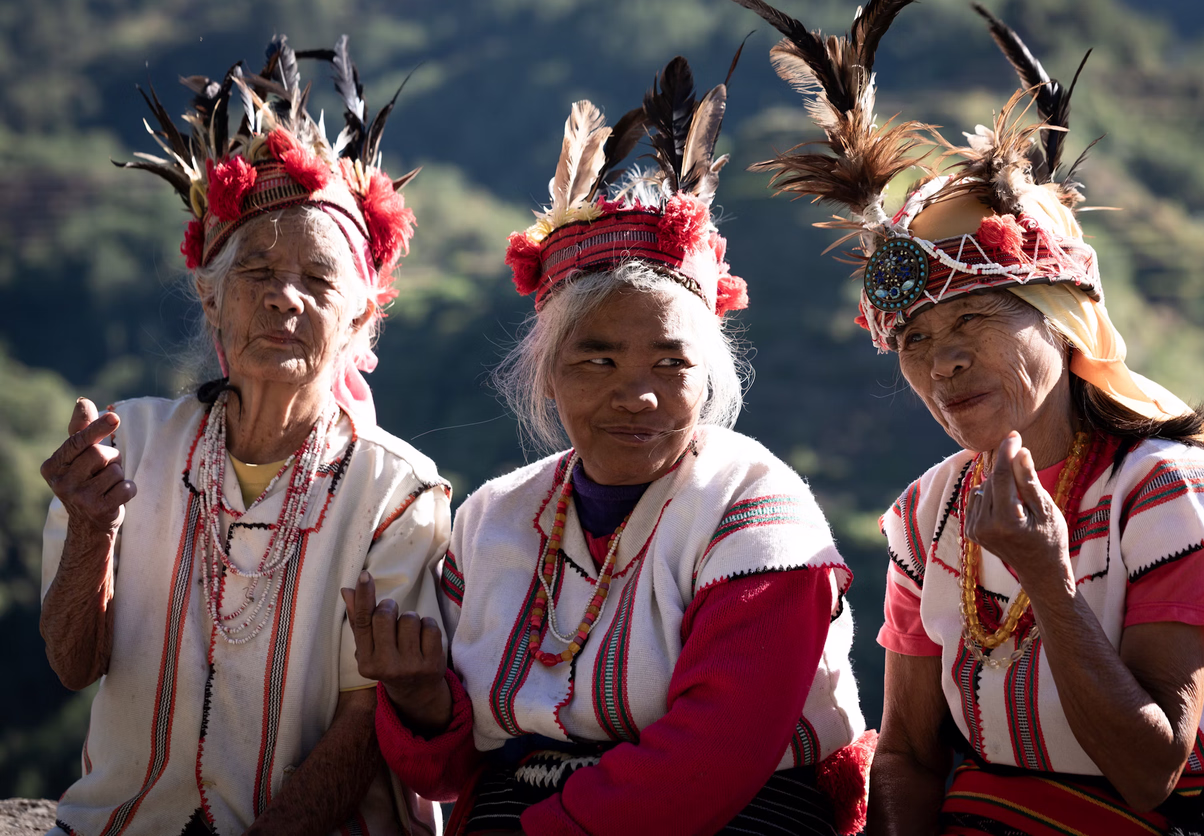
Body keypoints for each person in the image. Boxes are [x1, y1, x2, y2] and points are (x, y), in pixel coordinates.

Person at [691, 0, 1204, 833]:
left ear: (1065, 321)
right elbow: (907, 756)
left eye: (972, 321)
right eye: (915, 343)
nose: (944, 363)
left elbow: (1151, 771)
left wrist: (1046, 576)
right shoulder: (932, 515)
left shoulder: (1177, 497)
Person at [342, 55, 874, 836]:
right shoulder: (493, 519)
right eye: (597, 360)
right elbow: (443, 771)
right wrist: (420, 697)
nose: (640, 394)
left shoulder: (760, 516)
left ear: (711, 377)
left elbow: (711, 762)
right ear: (548, 376)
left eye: (671, 363)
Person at [38, 37, 450, 836]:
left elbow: (369, 724)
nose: (283, 300)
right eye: (256, 273)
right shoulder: (132, 448)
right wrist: (93, 531)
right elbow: (71, 663)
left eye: (319, 281)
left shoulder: (394, 492)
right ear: (210, 302)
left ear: (363, 321)